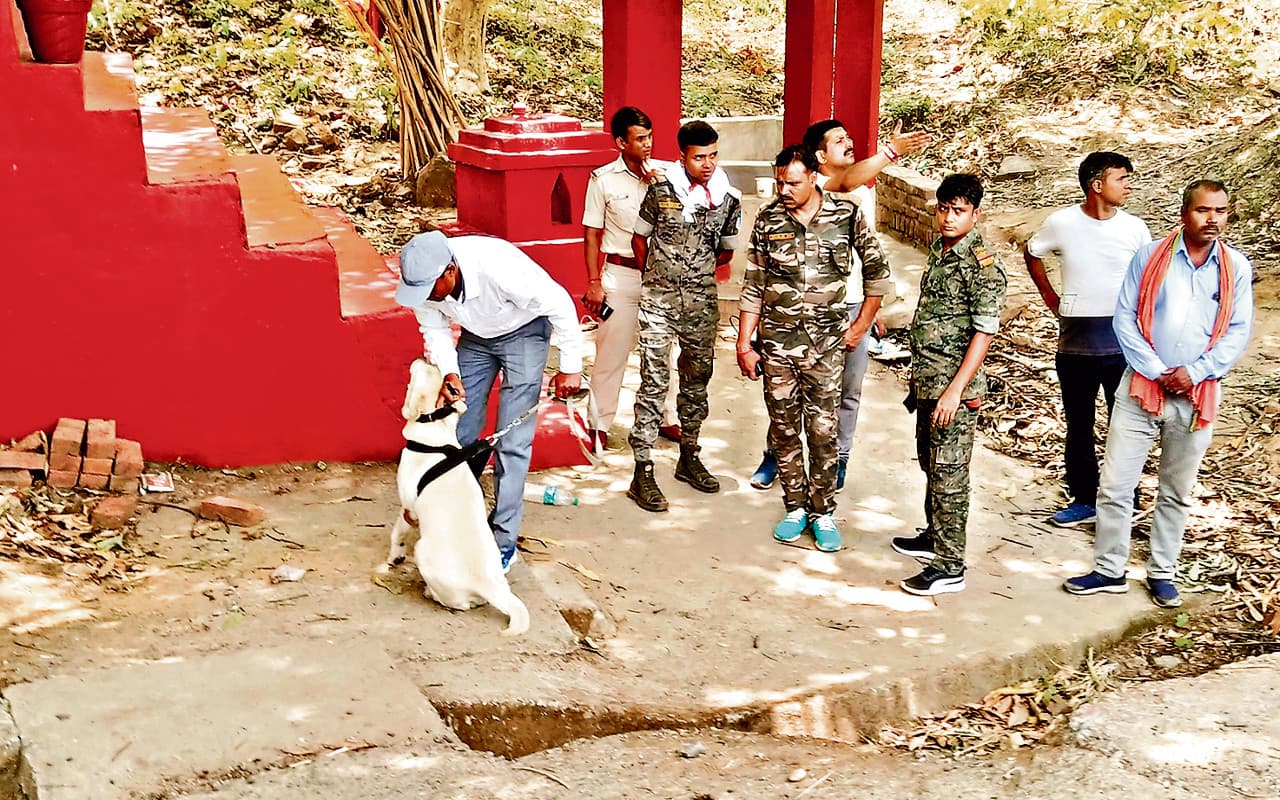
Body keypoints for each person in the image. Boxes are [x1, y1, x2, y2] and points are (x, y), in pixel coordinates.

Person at [1064, 180, 1253, 609]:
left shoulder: (1235, 267)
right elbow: (1125, 317)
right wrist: (1156, 369)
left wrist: (1195, 372)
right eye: (1204, 210)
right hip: (1140, 387)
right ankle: (1109, 568)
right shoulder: (1150, 256)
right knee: (1115, 485)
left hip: (1196, 394)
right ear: (1185, 213)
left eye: (1221, 211)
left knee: (1176, 490)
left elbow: (1237, 331)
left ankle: (1162, 571)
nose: (1213, 219)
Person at [750, 120, 931, 491]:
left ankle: (839, 459)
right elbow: (846, 181)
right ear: (818, 158)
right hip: (805, 312)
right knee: (788, 391)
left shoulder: (862, 191)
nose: (849, 144)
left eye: (849, 138)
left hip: (850, 309)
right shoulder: (823, 186)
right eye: (838, 141)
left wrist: (870, 311)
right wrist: (891, 151)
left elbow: (871, 262)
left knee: (846, 392)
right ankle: (776, 456)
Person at [396, 231, 584, 571]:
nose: (424, 296)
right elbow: (434, 330)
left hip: (524, 332)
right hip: (477, 338)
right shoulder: (426, 282)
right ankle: (454, 515)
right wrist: (450, 372)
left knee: (512, 442)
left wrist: (571, 367)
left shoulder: (497, 265)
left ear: (449, 271)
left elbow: (559, 303)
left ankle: (502, 542)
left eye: (428, 289)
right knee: (459, 428)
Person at [736, 145, 892, 551]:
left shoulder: (846, 214)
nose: (784, 190)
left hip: (827, 347)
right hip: (777, 346)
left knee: (823, 432)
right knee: (784, 430)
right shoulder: (768, 220)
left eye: (793, 183)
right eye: (779, 182)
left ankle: (823, 510)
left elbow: (877, 273)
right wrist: (744, 343)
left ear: (813, 178)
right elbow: (753, 283)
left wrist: (860, 327)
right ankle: (794, 506)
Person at [892, 174, 1006, 596]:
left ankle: (950, 564)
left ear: (975, 214)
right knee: (930, 462)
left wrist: (956, 390)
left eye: (958, 210)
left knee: (950, 474)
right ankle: (935, 536)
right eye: (943, 208)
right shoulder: (943, 251)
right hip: (928, 381)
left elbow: (983, 333)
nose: (947, 217)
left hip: (953, 391)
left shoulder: (983, 264)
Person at [1025, 152, 1152, 527]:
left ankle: (1125, 497)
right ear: (1097, 185)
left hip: (1124, 345)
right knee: (1079, 423)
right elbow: (1033, 253)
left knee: (1124, 422)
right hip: (1076, 342)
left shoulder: (1135, 228)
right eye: (1121, 178)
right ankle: (1084, 496)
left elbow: (1148, 280)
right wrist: (1051, 298)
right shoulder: (1062, 223)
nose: (1127, 184)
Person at [627, 120, 742, 512]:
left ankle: (689, 455)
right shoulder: (661, 191)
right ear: (683, 156)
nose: (707, 164)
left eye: (713, 156)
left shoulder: (727, 198)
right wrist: (655, 276)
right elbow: (639, 237)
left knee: (696, 381)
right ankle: (642, 469)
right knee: (654, 381)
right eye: (699, 157)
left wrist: (697, 272)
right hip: (659, 300)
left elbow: (725, 251)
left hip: (701, 303)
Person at [581, 106, 681, 447]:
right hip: (620, 275)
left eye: (650, 137)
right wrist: (594, 281)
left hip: (662, 276)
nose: (648, 145)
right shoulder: (603, 179)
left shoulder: (669, 174)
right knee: (611, 350)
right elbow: (592, 233)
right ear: (621, 142)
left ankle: (670, 417)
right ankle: (599, 422)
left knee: (665, 350)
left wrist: (662, 187)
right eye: (640, 139)